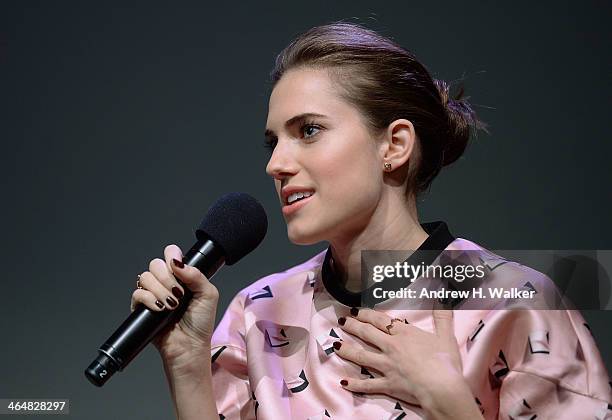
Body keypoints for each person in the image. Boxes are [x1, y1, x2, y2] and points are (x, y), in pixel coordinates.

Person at [130, 22, 611, 419]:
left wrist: (450, 405)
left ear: (395, 145)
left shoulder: (515, 302)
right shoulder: (258, 314)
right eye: (273, 141)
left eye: (309, 131)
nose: (276, 164)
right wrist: (187, 363)